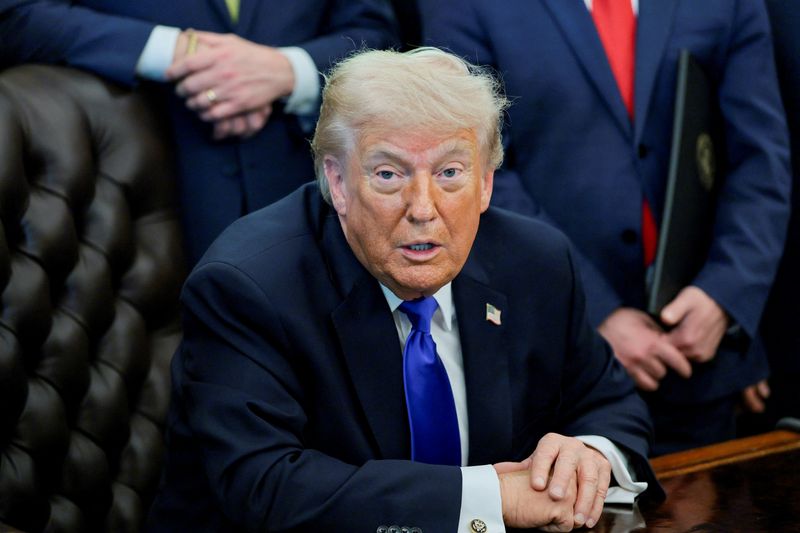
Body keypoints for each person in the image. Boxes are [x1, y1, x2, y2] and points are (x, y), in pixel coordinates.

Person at [146, 48, 663, 531]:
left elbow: (609, 401)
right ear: (339, 182)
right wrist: (488, 498)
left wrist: (591, 454)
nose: (422, 207)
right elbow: (263, 484)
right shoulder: (247, 287)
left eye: (450, 172)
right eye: (389, 174)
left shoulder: (537, 261)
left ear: (485, 183)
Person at [421, 0, 791, 454]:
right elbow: (475, 172)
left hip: (697, 357)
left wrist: (723, 294)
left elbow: (761, 158)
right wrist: (593, 312)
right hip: (552, 365)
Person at [0, 0, 397, 264]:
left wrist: (287, 71)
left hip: (313, 213)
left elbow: (376, 32)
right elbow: (15, 15)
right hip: (133, 218)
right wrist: (180, 54)